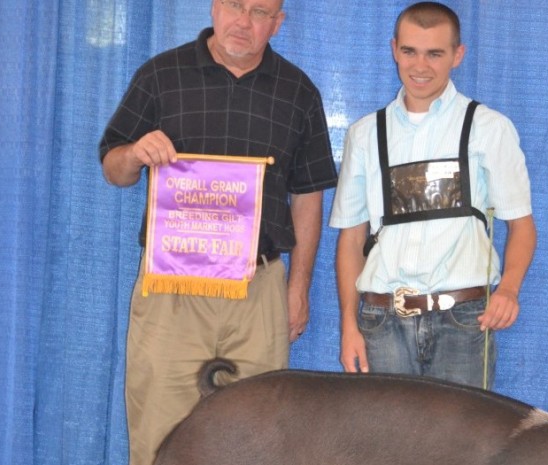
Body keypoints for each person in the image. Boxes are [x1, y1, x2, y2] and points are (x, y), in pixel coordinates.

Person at [99, 1, 337, 464]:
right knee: (158, 435)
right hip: (172, 291)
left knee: (260, 438)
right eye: (234, 5)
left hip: (258, 289)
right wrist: (135, 154)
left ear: (278, 23)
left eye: (260, 12)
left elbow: (308, 194)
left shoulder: (298, 92)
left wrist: (299, 286)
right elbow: (114, 168)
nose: (244, 21)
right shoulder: (160, 75)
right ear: (214, 7)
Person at [330, 1, 536, 390]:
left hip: (464, 320)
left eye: (434, 53)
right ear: (394, 50)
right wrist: (348, 326)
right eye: (409, 51)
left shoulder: (489, 128)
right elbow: (351, 238)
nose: (420, 66)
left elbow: (522, 225)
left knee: (460, 448)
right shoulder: (364, 134)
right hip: (381, 320)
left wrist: (508, 289)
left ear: (458, 55)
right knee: (388, 448)